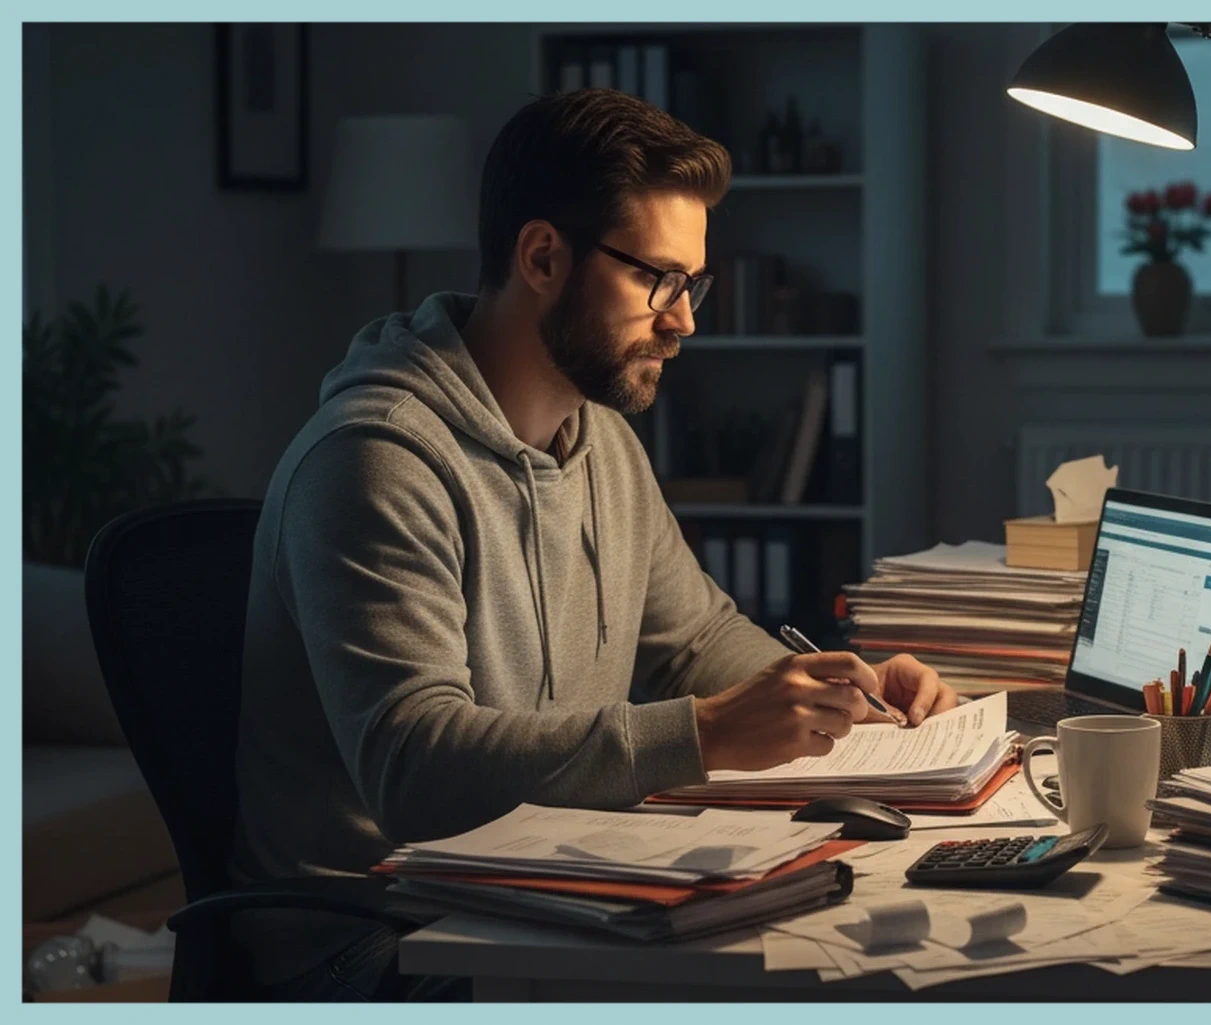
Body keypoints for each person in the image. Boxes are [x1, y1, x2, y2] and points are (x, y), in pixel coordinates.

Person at [228, 88, 958, 1000]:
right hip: (383, 943)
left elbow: (695, 640)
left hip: (538, 887)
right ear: (542, 255)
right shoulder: (374, 459)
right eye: (659, 279)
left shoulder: (598, 436)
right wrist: (706, 731)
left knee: (854, 949)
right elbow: (413, 767)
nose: (685, 319)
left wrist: (829, 694)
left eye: (694, 284)